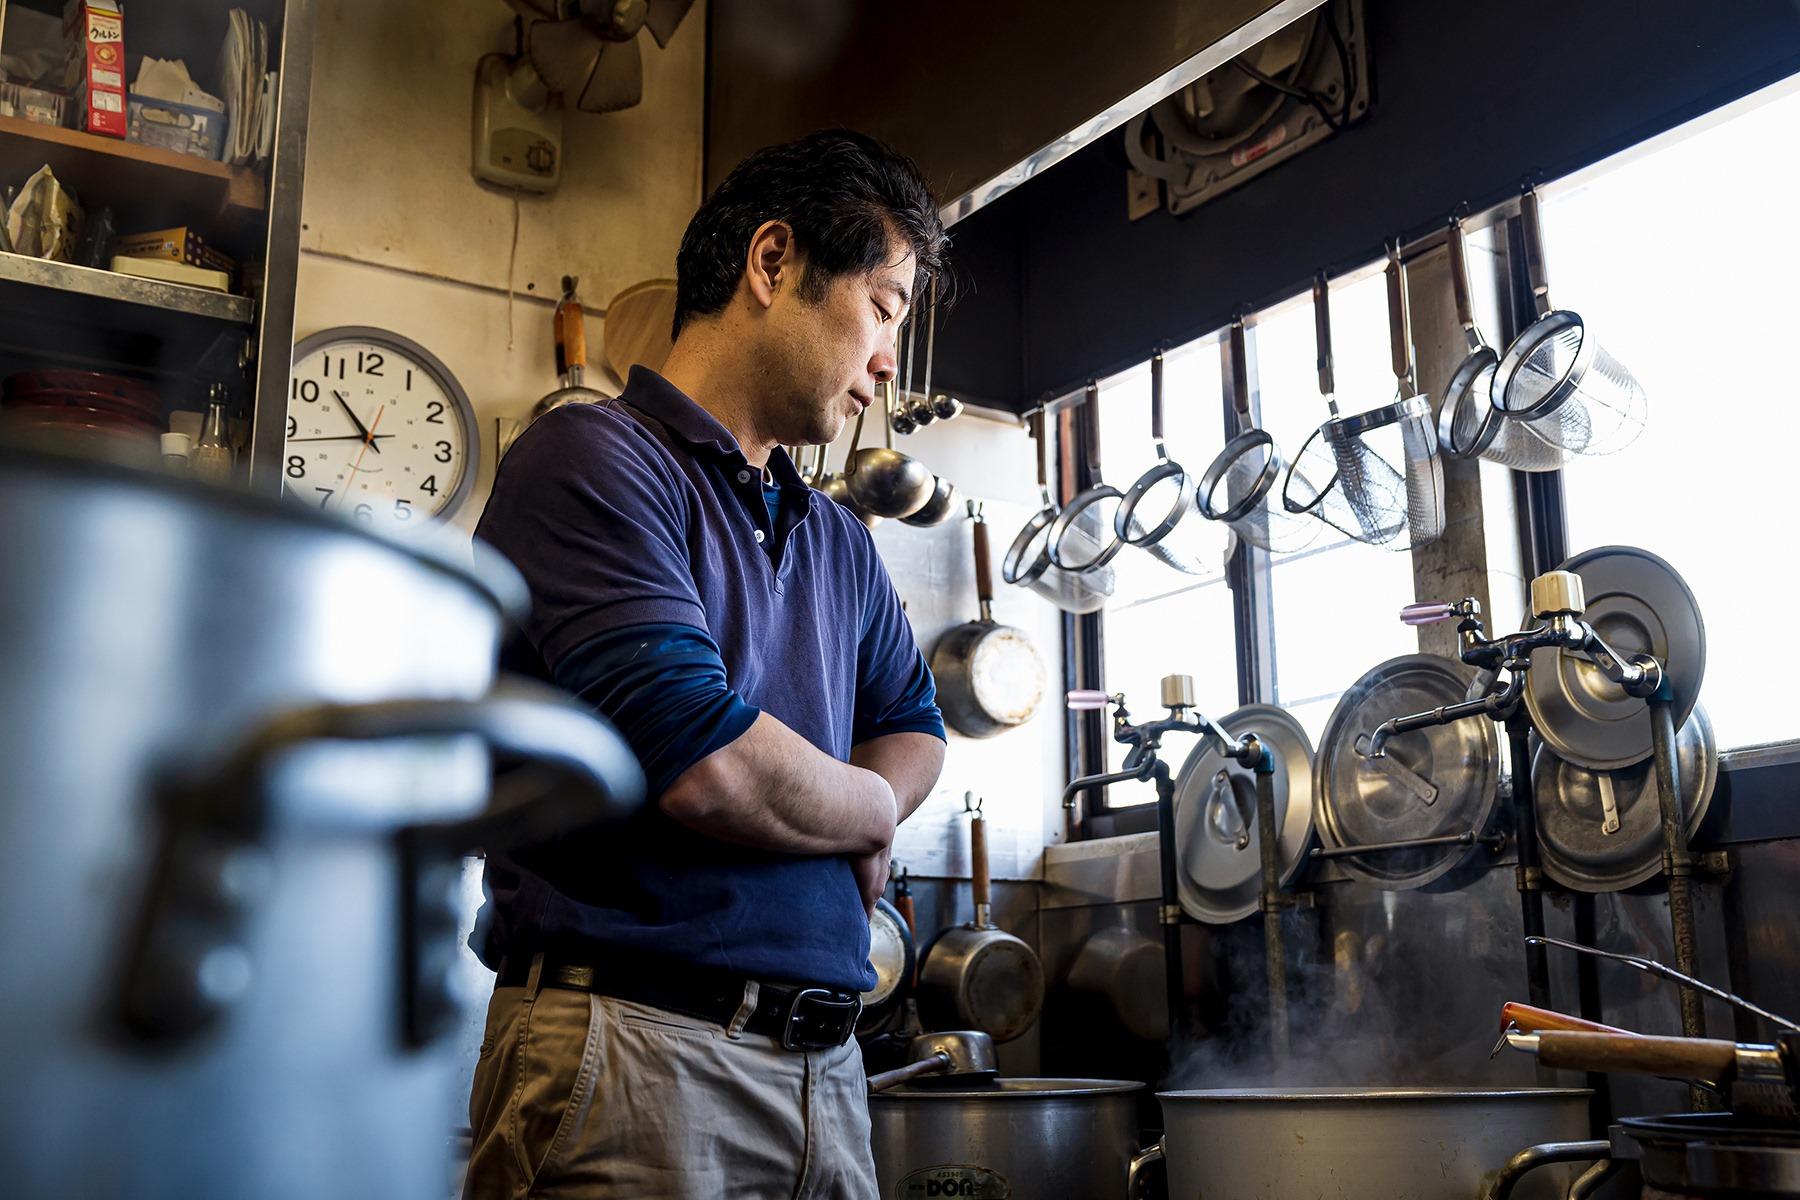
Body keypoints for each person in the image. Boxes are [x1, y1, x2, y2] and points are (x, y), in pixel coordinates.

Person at [462, 129, 950, 1199]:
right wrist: (870, 811)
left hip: (828, 1069)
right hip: (635, 1056)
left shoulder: (837, 537)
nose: (886, 363)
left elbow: (918, 728)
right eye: (881, 308)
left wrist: (867, 794)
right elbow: (704, 759)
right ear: (772, 264)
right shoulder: (591, 460)